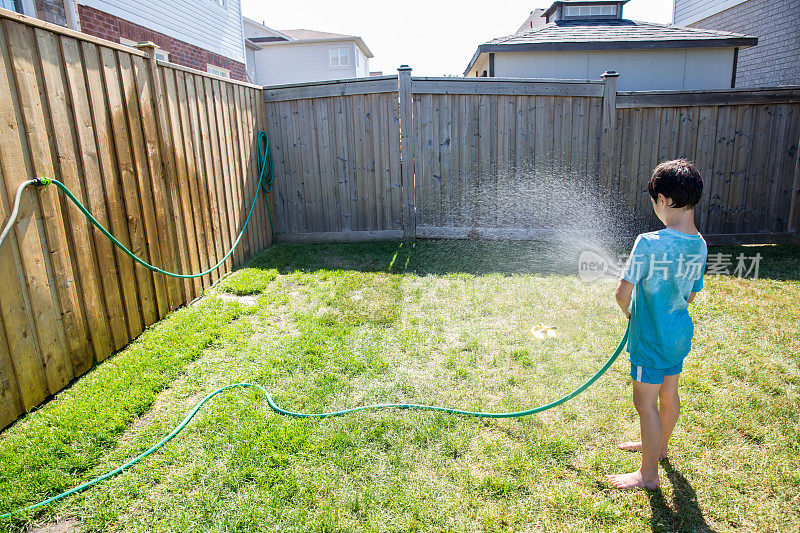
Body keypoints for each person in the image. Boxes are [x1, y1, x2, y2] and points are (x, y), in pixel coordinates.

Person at [606, 159, 707, 490]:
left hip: (650, 339)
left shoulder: (649, 243)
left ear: (662, 199)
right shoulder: (700, 245)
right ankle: (659, 449)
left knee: (645, 403)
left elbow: (623, 293)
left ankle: (647, 475)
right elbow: (691, 295)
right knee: (669, 392)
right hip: (677, 336)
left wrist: (630, 314)